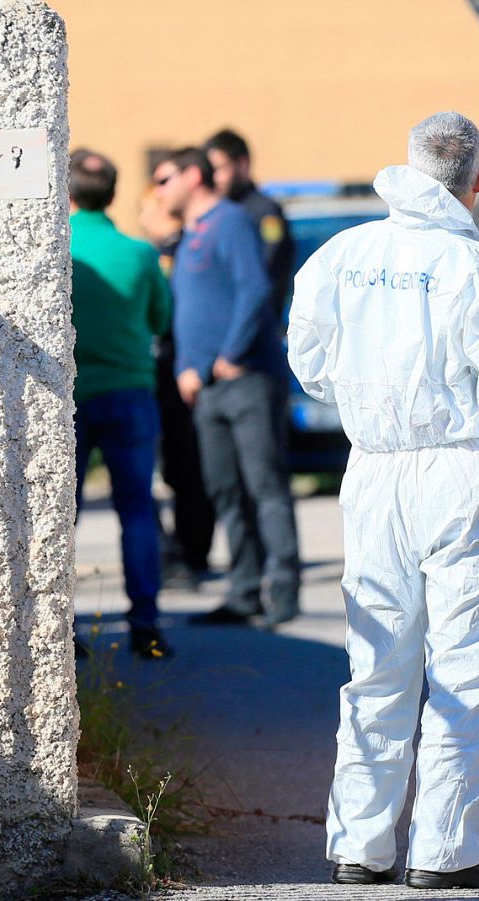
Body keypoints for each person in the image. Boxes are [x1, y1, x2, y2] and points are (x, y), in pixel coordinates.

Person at [289, 112, 479, 890]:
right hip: (466, 473)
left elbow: (308, 363)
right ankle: (443, 851)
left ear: (409, 167)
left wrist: (364, 396)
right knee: (464, 667)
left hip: (375, 470)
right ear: (477, 181)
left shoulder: (342, 256)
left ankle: (360, 844)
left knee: (376, 659)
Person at [154, 147, 302, 628]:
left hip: (245, 379)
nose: (158, 190)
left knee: (265, 486)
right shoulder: (190, 234)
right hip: (205, 388)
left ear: (192, 176)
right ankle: (243, 591)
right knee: (225, 491)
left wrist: (230, 356)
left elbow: (255, 288)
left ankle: (283, 590)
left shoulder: (231, 221)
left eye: (164, 179)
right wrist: (186, 367)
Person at [68, 149, 175, 659]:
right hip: (129, 391)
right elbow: (160, 319)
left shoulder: (59, 249)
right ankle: (146, 626)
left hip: (68, 396)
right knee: (137, 511)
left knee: (60, 515)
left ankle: (61, 630)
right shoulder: (139, 254)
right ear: (112, 193)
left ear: (66, 191)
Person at [142, 158, 217, 589]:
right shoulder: (160, 253)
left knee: (187, 468)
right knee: (173, 469)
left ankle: (189, 554)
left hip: (179, 375)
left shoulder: (176, 252)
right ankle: (178, 553)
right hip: (162, 376)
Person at [204, 128, 297, 326]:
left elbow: (263, 268)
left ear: (242, 164)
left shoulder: (264, 212)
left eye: (219, 169)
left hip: (256, 327)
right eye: (210, 171)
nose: (214, 178)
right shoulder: (216, 212)